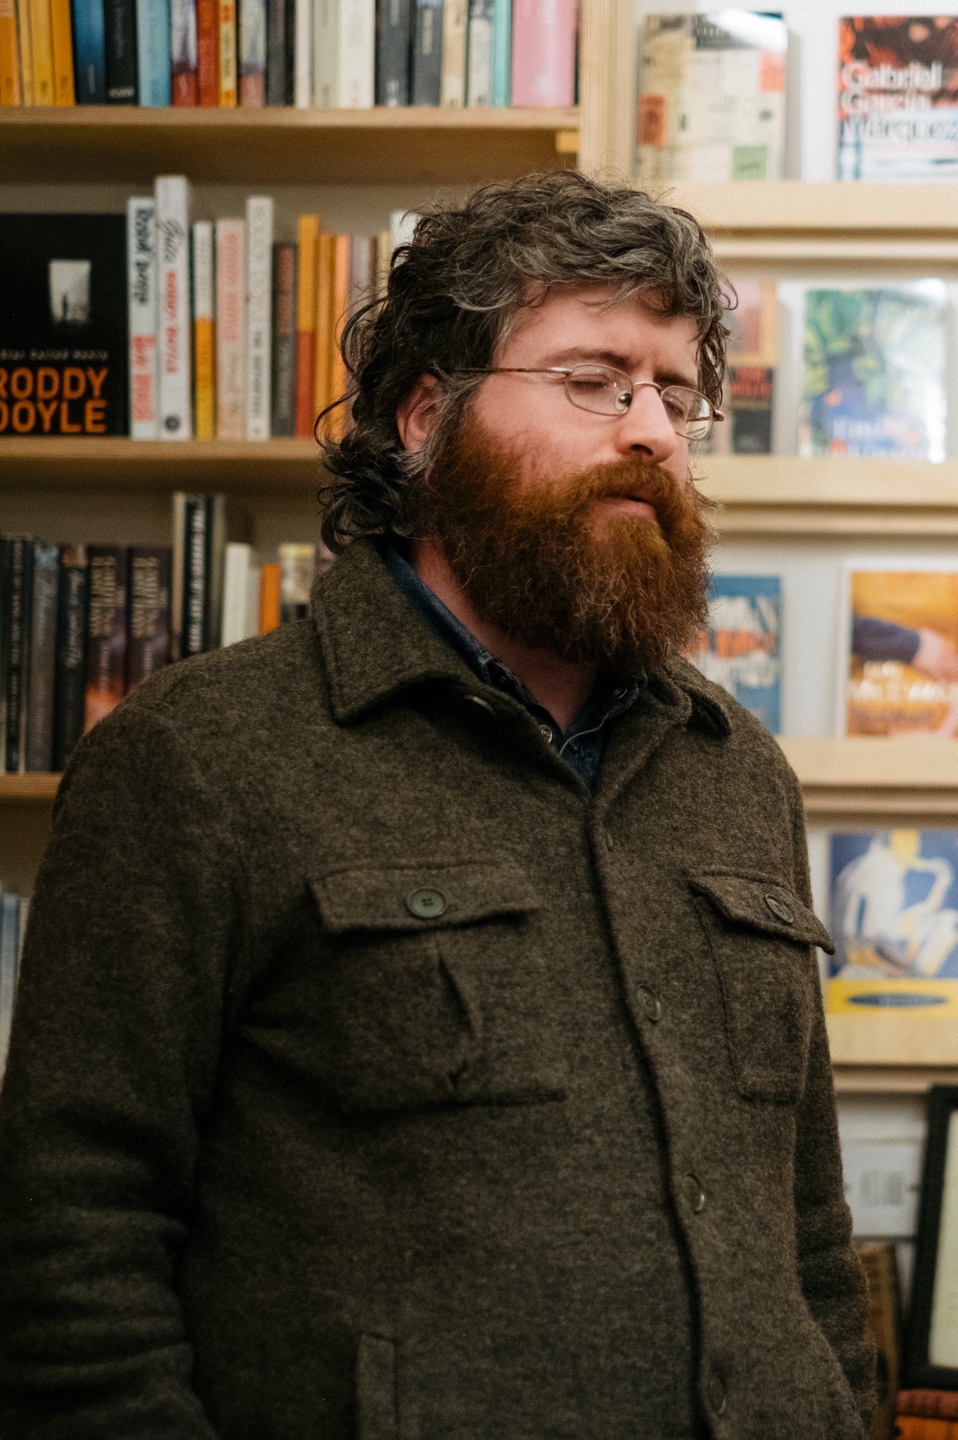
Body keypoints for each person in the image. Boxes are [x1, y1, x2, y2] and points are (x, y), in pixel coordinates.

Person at [0, 173, 875, 1440]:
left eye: (677, 394)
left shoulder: (735, 769)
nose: (653, 432)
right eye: (594, 380)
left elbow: (806, 1224)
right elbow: (69, 1235)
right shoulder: (200, 757)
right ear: (424, 416)